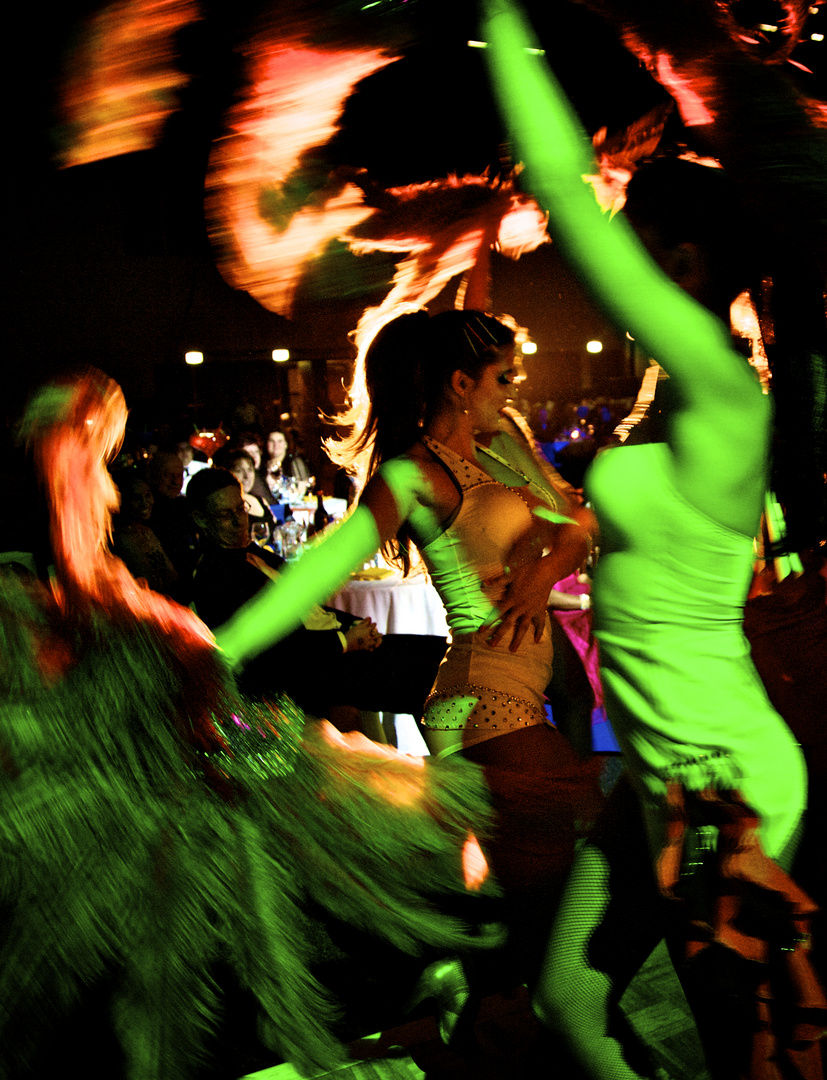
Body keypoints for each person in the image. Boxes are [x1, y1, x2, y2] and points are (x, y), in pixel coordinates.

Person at [480, 2, 824, 1077]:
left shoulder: (722, 388)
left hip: (717, 774)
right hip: (658, 770)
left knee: (749, 1045)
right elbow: (617, 526)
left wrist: (499, 23)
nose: (610, 278)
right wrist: (550, 537)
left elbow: (574, 217)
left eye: (632, 253)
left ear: (677, 259)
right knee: (567, 1010)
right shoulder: (672, 394)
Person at [0, 371, 497, 1080]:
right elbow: (190, 726)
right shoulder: (62, 620)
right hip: (155, 849)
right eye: (94, 469)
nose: (112, 493)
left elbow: (210, 718)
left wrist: (282, 747)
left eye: (108, 468)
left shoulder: (106, 603)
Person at [218, 307, 601, 992]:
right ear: (459, 383)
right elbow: (320, 568)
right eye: (501, 377)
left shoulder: (501, 447)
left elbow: (577, 520)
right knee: (546, 933)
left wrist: (540, 575)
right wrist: (221, 646)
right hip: (485, 702)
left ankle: (463, 999)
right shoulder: (412, 476)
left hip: (503, 695)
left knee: (529, 923)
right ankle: (479, 1018)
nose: (511, 390)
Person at [187, 466, 447, 727]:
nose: (238, 521)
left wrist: (355, 625)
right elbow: (270, 656)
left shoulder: (256, 555)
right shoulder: (215, 576)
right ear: (199, 519)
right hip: (310, 672)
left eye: (240, 509)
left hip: (331, 650)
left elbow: (312, 610)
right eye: (225, 515)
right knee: (429, 677)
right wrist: (344, 640)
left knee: (439, 652)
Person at [263, 428, 311, 499]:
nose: (276, 444)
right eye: (271, 441)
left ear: (286, 444)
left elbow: (302, 489)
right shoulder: (262, 464)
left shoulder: (295, 462)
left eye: (280, 441)